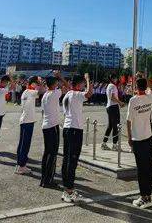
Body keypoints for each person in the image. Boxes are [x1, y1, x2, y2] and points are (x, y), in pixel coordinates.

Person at [60, 73, 93, 204]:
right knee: (72, 161)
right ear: (79, 84)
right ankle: (69, 191)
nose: (84, 86)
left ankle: (67, 188)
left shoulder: (68, 94)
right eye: (83, 84)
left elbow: (71, 88)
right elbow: (89, 93)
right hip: (74, 130)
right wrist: (88, 78)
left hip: (68, 128)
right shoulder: (77, 94)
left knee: (67, 159)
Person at [127, 77, 152, 209]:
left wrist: (129, 138)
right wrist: (143, 76)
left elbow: (128, 121)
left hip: (138, 138)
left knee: (141, 169)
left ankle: (144, 197)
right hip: (148, 137)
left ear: (136, 87)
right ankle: (148, 195)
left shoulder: (133, 100)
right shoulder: (150, 97)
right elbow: (150, 87)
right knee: (148, 168)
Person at [39, 74, 64, 188]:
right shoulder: (54, 93)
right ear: (54, 84)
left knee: (47, 153)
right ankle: (49, 181)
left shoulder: (45, 95)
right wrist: (60, 76)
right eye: (56, 83)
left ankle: (44, 179)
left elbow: (43, 112)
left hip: (46, 125)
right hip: (52, 126)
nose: (58, 84)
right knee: (52, 154)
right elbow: (68, 87)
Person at [15, 76, 40, 175]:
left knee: (22, 143)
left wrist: (37, 83)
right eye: (36, 83)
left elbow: (37, 94)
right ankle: (21, 166)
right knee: (25, 144)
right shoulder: (31, 92)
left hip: (24, 119)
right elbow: (40, 91)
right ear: (33, 83)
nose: (37, 85)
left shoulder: (26, 92)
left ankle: (20, 163)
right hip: (28, 120)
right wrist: (40, 82)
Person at [102, 74, 124, 151]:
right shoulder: (113, 86)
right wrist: (120, 102)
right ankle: (114, 145)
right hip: (113, 107)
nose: (117, 80)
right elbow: (112, 97)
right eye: (116, 78)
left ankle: (104, 143)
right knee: (116, 126)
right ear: (114, 79)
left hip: (109, 106)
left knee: (110, 126)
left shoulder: (109, 86)